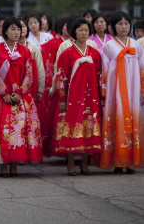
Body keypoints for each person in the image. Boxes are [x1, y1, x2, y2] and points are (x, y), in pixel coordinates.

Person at [0, 17, 42, 177]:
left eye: (18, 29)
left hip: (20, 98)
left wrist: (20, 93)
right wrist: (4, 93)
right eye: (13, 29)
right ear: (5, 31)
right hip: (2, 99)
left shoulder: (25, 51)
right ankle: (2, 165)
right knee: (2, 133)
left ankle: (15, 164)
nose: (17, 32)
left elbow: (29, 74)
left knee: (19, 132)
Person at [52, 17, 102, 175]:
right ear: (74, 32)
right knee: (72, 128)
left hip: (90, 98)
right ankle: (71, 163)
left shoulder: (95, 53)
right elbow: (60, 78)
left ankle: (85, 163)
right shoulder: (67, 53)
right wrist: (61, 99)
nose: (84, 33)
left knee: (88, 127)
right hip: (72, 99)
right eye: (80, 30)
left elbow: (100, 75)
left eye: (86, 30)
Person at [99, 12, 144, 173]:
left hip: (133, 92)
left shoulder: (136, 45)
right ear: (112, 27)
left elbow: (142, 69)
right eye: (120, 24)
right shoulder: (109, 47)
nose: (124, 26)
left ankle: (131, 161)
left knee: (133, 121)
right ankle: (118, 161)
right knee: (117, 121)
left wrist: (142, 90)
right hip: (115, 92)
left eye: (126, 23)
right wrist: (104, 93)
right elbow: (104, 72)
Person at [40, 16, 70, 156]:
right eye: (65, 25)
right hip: (57, 82)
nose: (68, 28)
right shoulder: (54, 43)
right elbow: (49, 65)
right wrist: (51, 85)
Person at [18, 18, 45, 104]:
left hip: (31, 85)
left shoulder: (34, 48)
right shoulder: (9, 48)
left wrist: (40, 89)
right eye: (17, 27)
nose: (21, 29)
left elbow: (40, 67)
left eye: (23, 26)